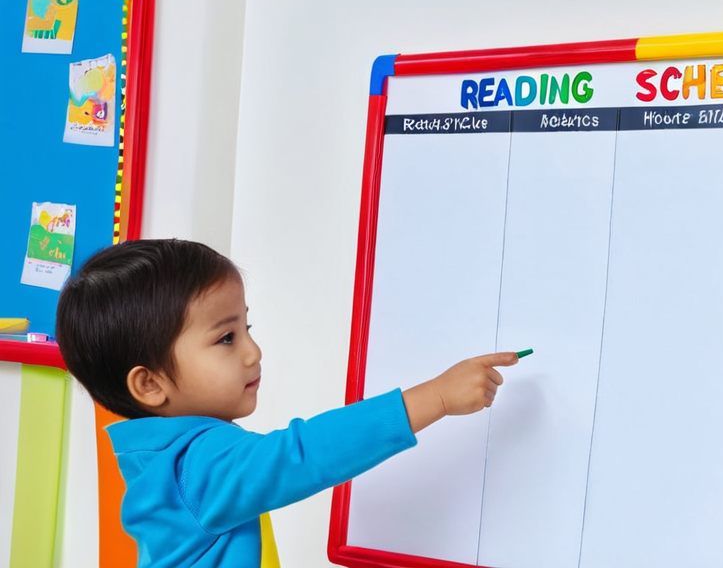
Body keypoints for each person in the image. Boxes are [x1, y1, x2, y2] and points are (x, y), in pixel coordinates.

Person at [55, 238, 518, 568]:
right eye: (226, 338)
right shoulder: (198, 465)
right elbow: (303, 454)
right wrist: (435, 396)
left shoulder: (155, 459)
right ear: (150, 385)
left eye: (247, 329)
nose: (252, 352)